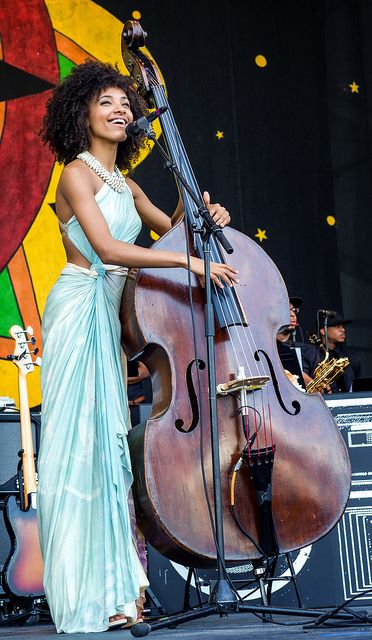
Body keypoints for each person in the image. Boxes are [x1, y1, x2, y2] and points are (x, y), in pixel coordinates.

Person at [37, 60, 238, 634]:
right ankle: (88, 595)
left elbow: (170, 227)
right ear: (83, 113)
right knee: (84, 446)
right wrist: (186, 259)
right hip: (80, 310)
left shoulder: (127, 182)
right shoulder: (73, 174)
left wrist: (202, 213)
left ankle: (121, 593)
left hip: (111, 317)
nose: (122, 109)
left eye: (126, 103)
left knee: (111, 454)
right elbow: (108, 249)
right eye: (108, 102)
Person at [277, 296, 318, 388]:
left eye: (294, 310)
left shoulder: (308, 351)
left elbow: (321, 391)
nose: (293, 314)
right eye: (287, 310)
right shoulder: (265, 350)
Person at [318, 312, 361, 392]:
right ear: (323, 331)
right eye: (337, 326)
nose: (343, 330)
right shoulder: (313, 356)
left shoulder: (351, 357)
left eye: (343, 326)